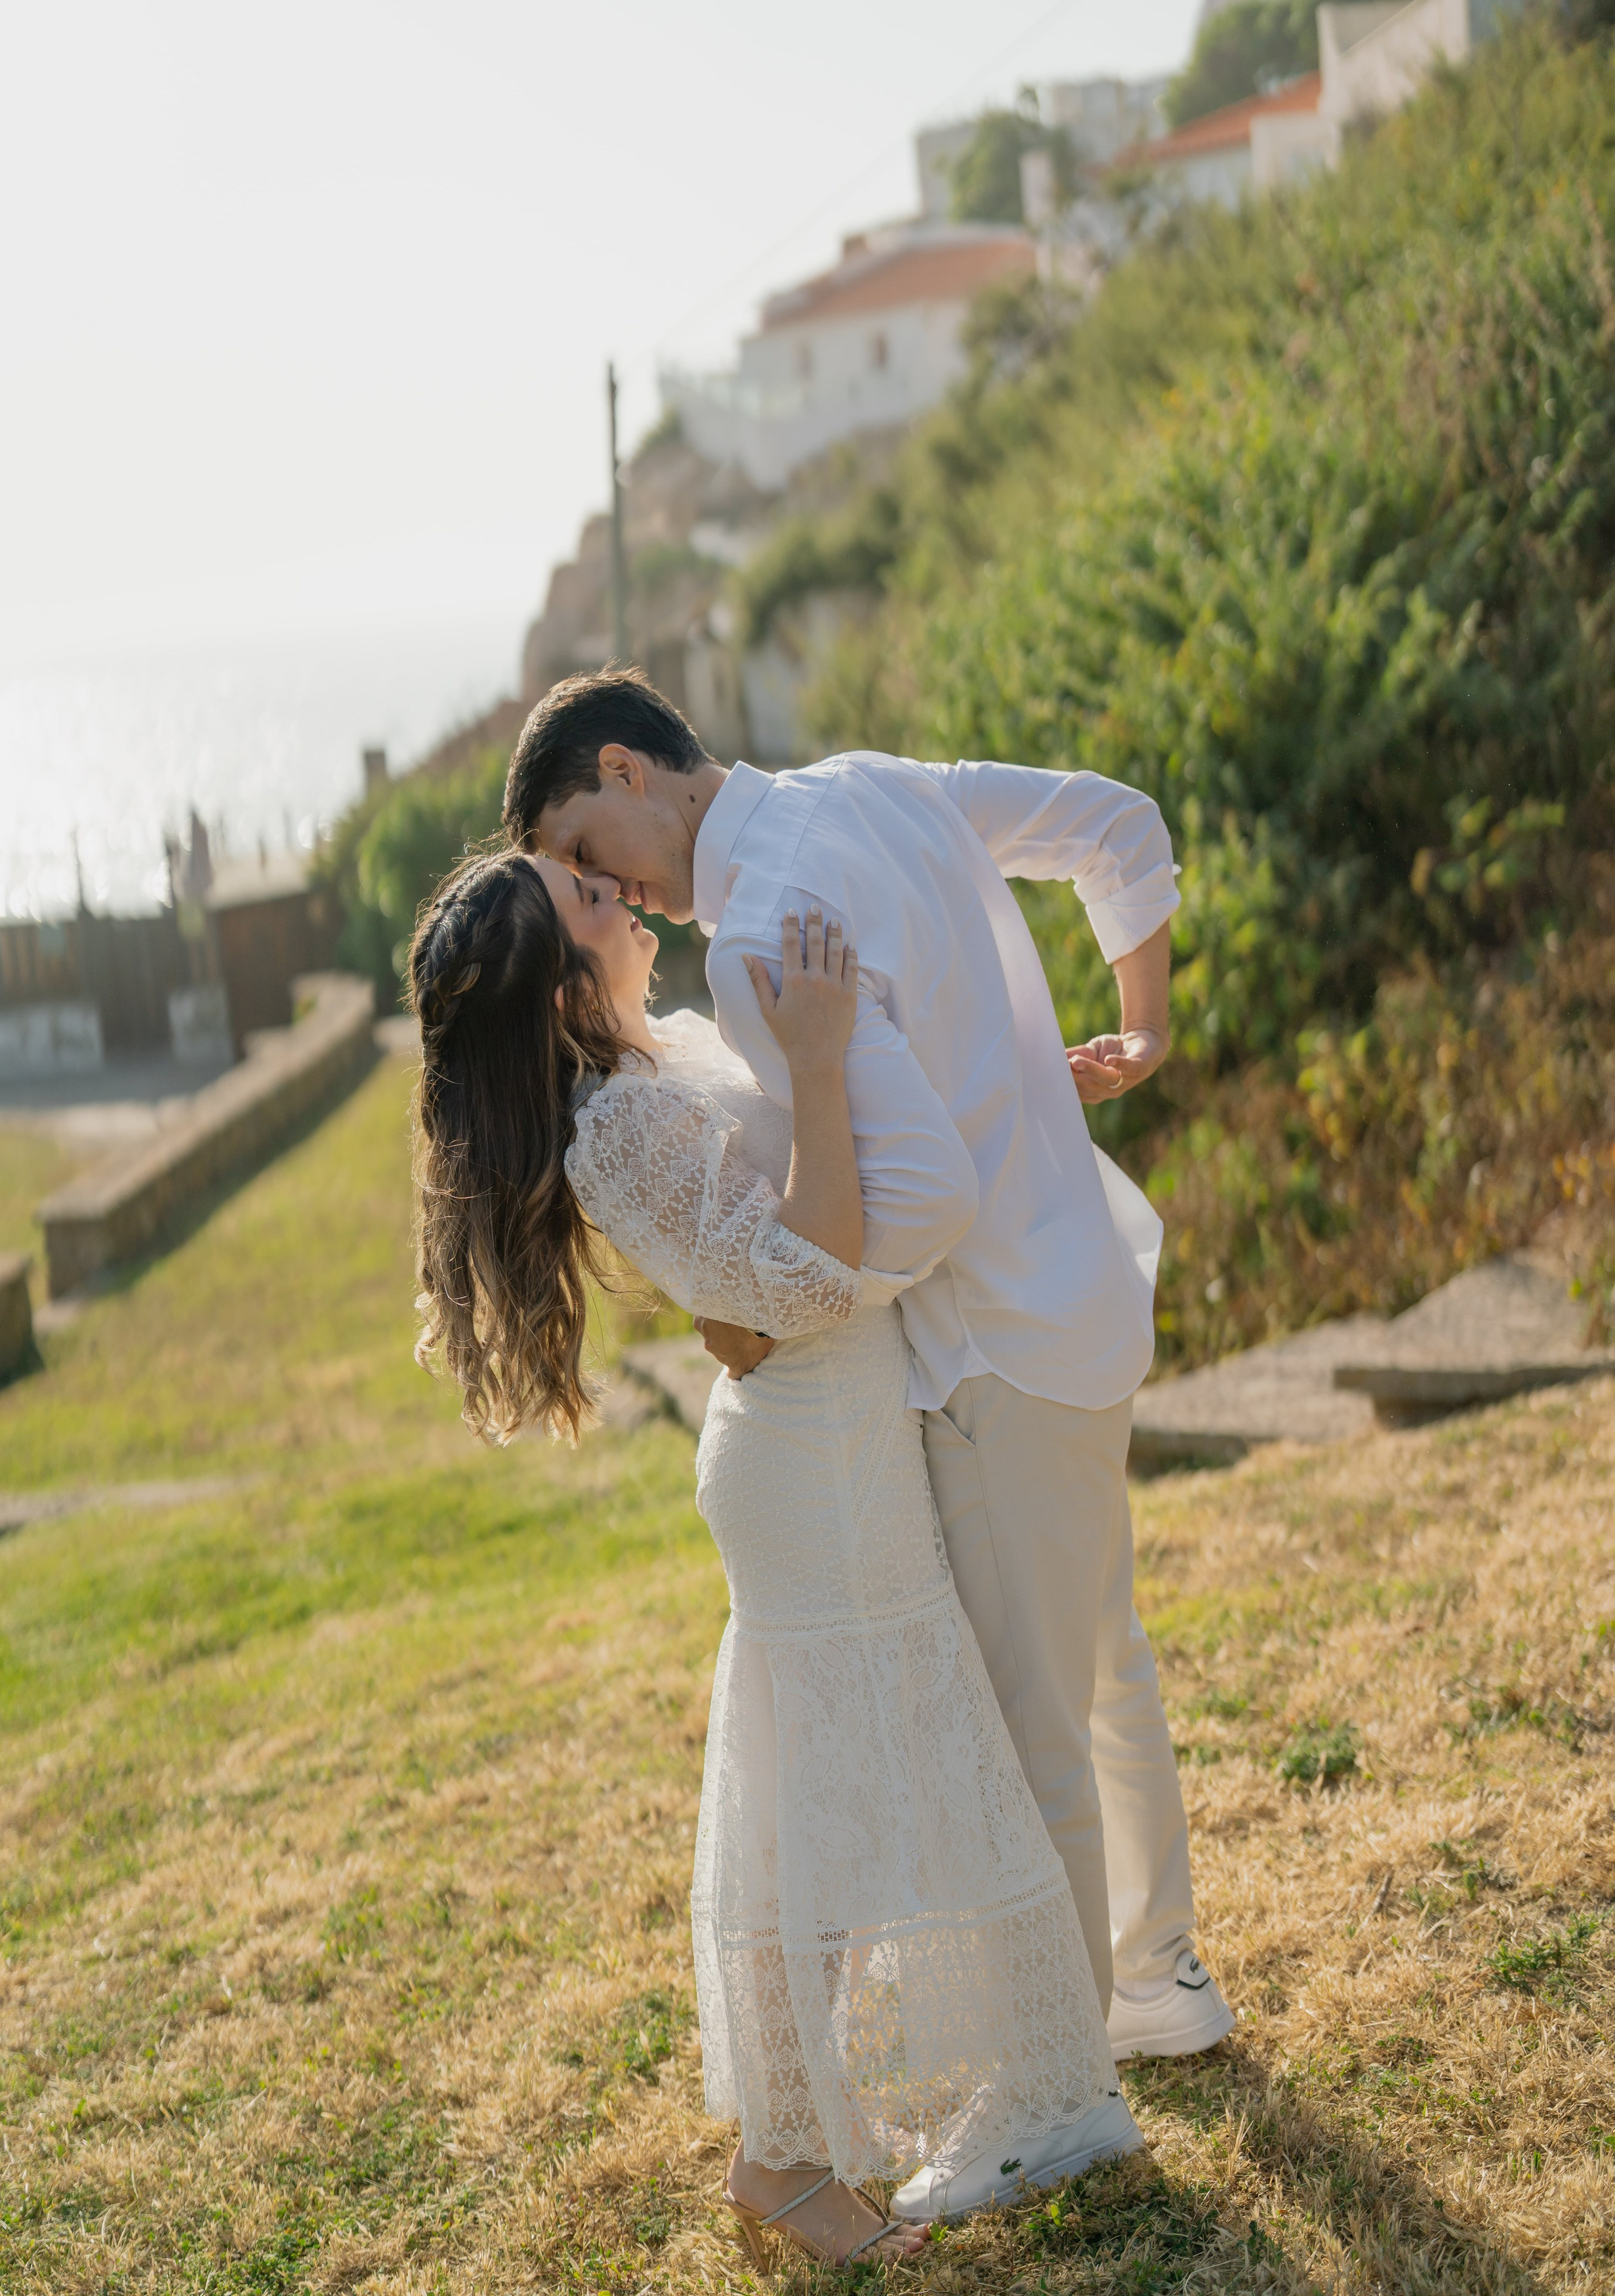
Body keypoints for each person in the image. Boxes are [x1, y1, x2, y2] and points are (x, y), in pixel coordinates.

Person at [506, 674, 1236, 2206]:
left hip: (993, 1344)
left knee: (1030, 1724)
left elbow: (919, 1201)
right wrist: (1147, 1024)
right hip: (1079, 1287)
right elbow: (1113, 822)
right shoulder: (869, 781)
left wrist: (781, 1307)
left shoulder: (762, 935)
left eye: (585, 845)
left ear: (627, 767)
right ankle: (1155, 1978)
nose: (606, 886)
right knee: (1102, 1656)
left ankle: (1057, 2100)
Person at [409, 847, 1139, 2270]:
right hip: (815, 1468)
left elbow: (802, 1211)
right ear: (565, 991)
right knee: (824, 1816)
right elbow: (807, 1272)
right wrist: (807, 1058)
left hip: (826, 1435)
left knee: (829, 1804)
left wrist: (993, 1093)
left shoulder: (662, 1055)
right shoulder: (614, 1122)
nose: (623, 898)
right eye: (591, 902)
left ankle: (786, 2147)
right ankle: (786, 2157)